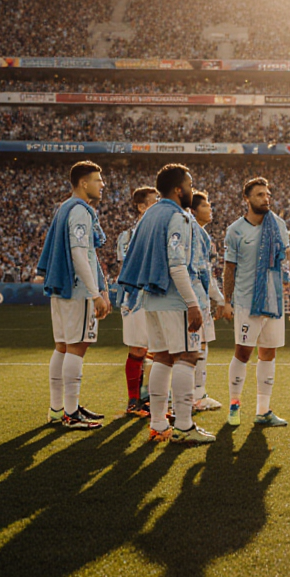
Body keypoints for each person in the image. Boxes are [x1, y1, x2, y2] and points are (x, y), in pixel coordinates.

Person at [117, 164, 215, 446]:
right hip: (174, 299)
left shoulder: (149, 215)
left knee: (161, 357)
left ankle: (159, 423)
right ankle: (184, 426)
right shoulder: (177, 217)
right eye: (190, 183)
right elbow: (177, 264)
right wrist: (193, 303)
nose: (192, 189)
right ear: (178, 189)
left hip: (152, 298)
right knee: (186, 357)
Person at [35, 160, 111, 431]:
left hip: (63, 287)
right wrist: (95, 293)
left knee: (63, 346)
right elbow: (80, 253)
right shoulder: (80, 210)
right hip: (77, 289)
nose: (102, 184)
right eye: (98, 179)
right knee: (77, 346)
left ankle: (59, 410)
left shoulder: (65, 208)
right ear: (83, 183)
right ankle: (70, 413)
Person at [222, 177, 290, 428]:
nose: (266, 198)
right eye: (259, 195)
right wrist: (226, 301)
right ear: (246, 199)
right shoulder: (235, 230)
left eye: (267, 194)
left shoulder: (278, 224)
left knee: (268, 354)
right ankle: (234, 405)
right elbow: (229, 269)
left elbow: (289, 259)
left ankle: (263, 411)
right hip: (246, 302)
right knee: (243, 353)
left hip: (273, 300)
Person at [190, 190, 233, 413]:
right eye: (206, 205)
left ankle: (192, 394)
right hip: (196, 301)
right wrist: (222, 300)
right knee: (198, 348)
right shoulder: (197, 234)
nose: (211, 209)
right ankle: (197, 396)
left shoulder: (196, 233)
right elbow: (204, 273)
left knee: (193, 349)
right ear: (193, 210)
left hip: (195, 300)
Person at [117, 186, 158, 418]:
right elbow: (129, 268)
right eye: (154, 200)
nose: (159, 204)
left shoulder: (161, 232)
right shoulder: (129, 236)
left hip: (156, 298)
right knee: (138, 348)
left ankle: (149, 396)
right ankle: (134, 400)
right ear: (141, 207)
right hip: (135, 299)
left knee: (155, 348)